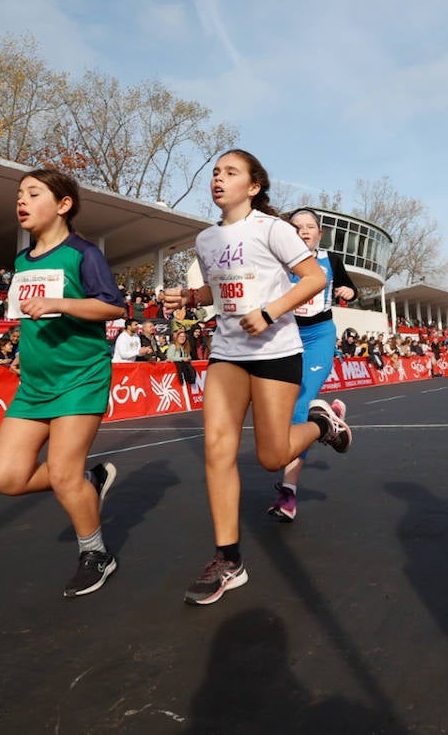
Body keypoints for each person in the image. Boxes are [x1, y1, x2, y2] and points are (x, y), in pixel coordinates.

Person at [161, 149, 351, 606]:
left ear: (253, 186)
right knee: (216, 450)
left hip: (276, 350)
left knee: (271, 456)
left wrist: (269, 312)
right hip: (227, 352)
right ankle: (228, 559)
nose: (218, 179)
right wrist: (188, 297)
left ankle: (322, 424)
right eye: (214, 173)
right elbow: (219, 288)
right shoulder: (206, 239)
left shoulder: (274, 229)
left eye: (230, 172)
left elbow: (310, 279)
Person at [0, 169, 126, 598]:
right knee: (5, 478)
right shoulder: (22, 261)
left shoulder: (84, 254)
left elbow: (114, 307)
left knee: (63, 475)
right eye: (18, 195)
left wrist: (60, 302)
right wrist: (24, 354)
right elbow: (30, 319)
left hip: (81, 377)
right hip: (35, 384)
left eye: (33, 193)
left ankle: (96, 553)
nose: (21, 202)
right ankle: (87, 481)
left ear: (63, 205)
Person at [267, 208, 358, 523]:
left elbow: (349, 287)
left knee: (300, 406)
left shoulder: (331, 260)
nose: (304, 231)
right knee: (284, 410)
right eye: (297, 227)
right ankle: (327, 421)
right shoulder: (279, 260)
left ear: (319, 234)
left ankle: (288, 492)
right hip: (286, 337)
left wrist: (349, 290)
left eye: (310, 227)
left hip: (319, 336)